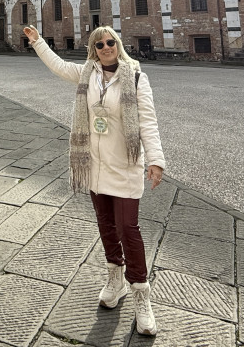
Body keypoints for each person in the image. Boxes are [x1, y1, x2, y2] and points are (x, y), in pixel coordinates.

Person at [22, 24, 164, 336]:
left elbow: (148, 122)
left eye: (110, 42)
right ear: (93, 49)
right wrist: (38, 43)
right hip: (95, 166)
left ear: (119, 44)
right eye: (99, 44)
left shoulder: (137, 77)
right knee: (106, 226)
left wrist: (155, 160)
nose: (106, 47)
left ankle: (141, 293)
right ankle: (115, 279)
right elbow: (59, 66)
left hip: (125, 166)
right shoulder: (88, 74)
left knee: (129, 228)